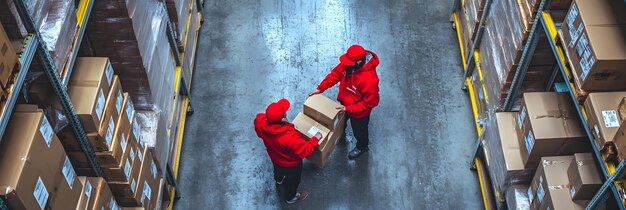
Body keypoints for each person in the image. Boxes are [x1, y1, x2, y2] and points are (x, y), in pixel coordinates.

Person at [309, 44, 380, 160]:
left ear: (358, 62)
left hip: (359, 113)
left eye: (348, 61)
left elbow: (370, 103)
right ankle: (340, 133)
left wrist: (349, 109)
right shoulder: (348, 65)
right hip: (344, 104)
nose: (345, 63)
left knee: (359, 130)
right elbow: (334, 75)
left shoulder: (369, 80)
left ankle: (362, 146)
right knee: (340, 122)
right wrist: (320, 88)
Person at [254, 98, 323, 204]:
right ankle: (291, 197)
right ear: (283, 119)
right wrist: (316, 138)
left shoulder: (260, 121)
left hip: (275, 157)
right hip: (291, 165)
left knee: (277, 169)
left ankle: (279, 180)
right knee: (293, 181)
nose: (286, 112)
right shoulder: (289, 137)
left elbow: (260, 125)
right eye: (284, 112)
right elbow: (305, 150)